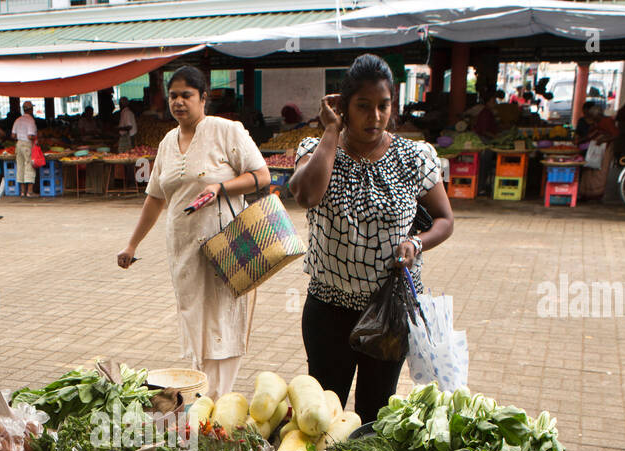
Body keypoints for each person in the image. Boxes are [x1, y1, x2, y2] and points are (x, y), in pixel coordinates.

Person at [288, 54, 454, 424]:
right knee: (322, 414)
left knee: (376, 414)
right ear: (343, 107)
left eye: (383, 106)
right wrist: (331, 133)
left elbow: (445, 219)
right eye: (363, 106)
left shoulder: (414, 157)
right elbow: (306, 196)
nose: (375, 117)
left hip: (389, 309)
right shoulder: (316, 149)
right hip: (328, 311)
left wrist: (417, 243)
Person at [116, 66, 270, 398]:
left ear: (204, 97)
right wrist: (132, 244)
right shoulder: (168, 142)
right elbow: (155, 198)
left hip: (226, 248)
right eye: (173, 96)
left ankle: (216, 401)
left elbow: (262, 176)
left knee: (222, 323)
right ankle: (201, 395)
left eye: (187, 95)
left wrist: (221, 187)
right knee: (193, 322)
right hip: (183, 251)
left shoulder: (226, 131)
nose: (179, 102)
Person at [12, 101, 39, 197]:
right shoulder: (31, 121)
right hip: (27, 144)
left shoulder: (18, 120)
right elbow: (30, 135)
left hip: (18, 144)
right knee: (29, 166)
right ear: (31, 110)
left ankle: (22, 191)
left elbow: (13, 135)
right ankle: (30, 191)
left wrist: (20, 135)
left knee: (20, 166)